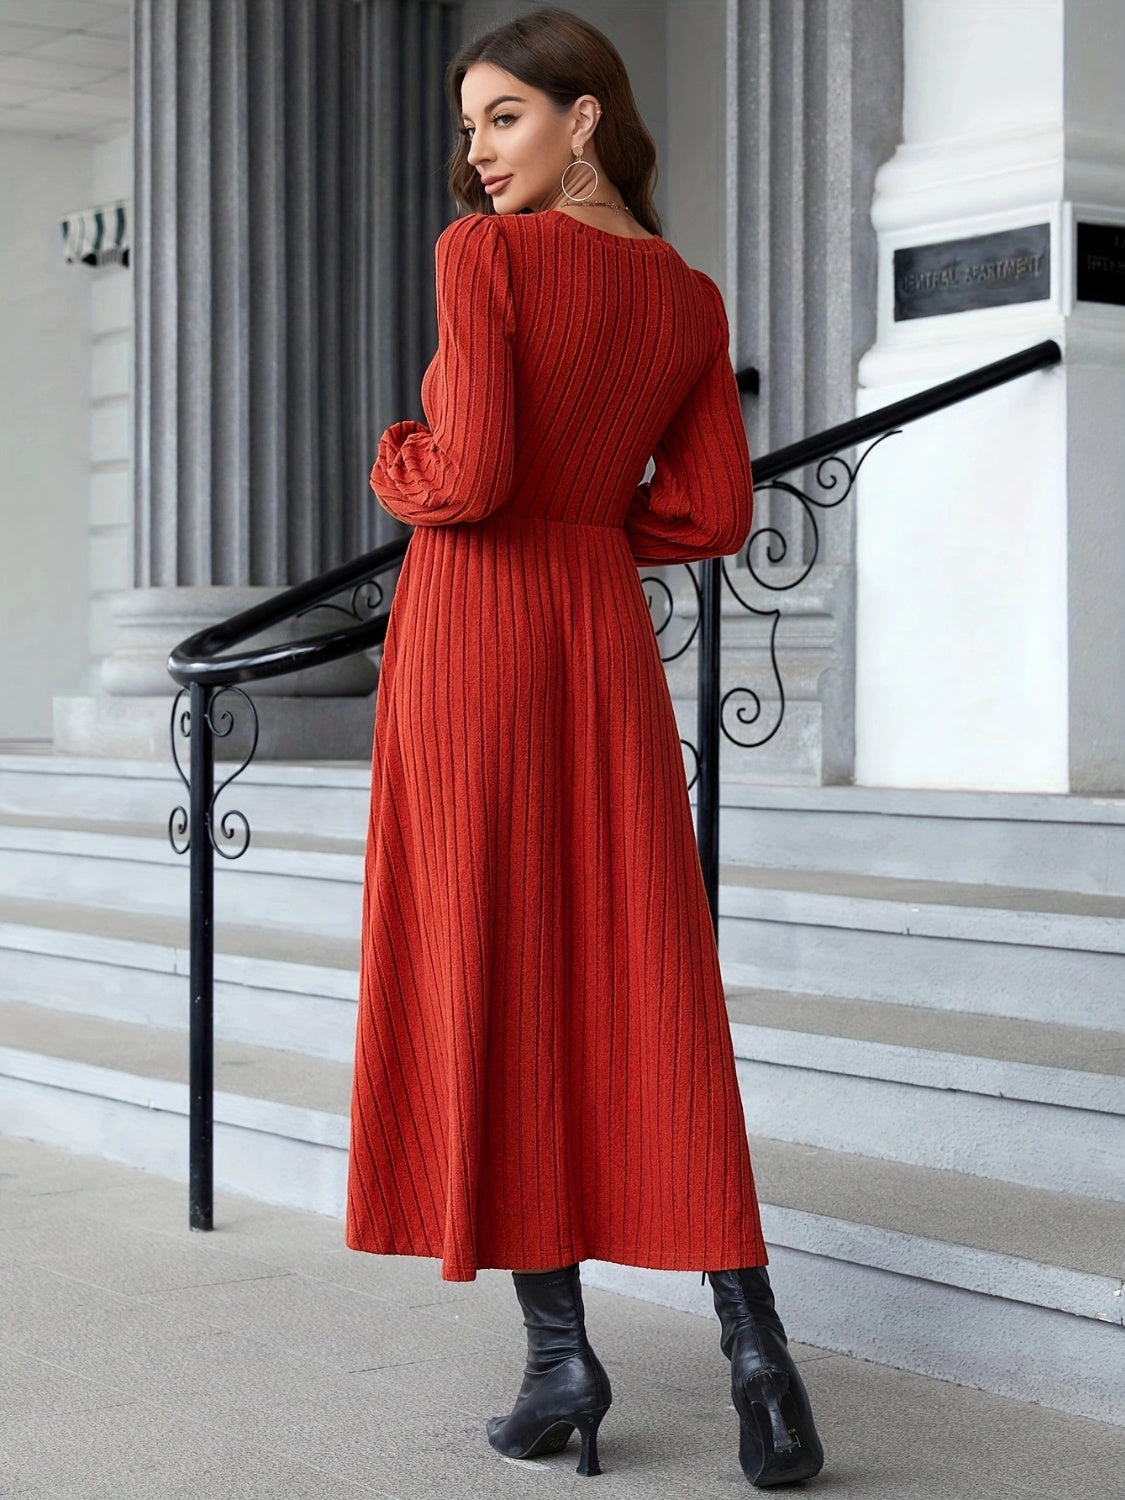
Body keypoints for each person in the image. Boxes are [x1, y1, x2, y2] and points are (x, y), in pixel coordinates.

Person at [344, 5, 824, 1489]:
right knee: (639, 970)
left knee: (494, 970)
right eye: (472, 124)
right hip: (597, 639)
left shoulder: (481, 261)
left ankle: (564, 1362)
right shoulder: (683, 296)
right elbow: (714, 515)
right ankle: (756, 1352)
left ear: (582, 119)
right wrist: (592, 525)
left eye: (502, 118)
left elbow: (473, 470)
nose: (474, 154)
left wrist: (395, 460)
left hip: (477, 639)